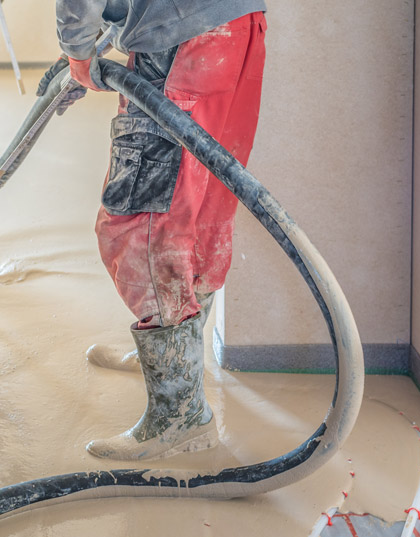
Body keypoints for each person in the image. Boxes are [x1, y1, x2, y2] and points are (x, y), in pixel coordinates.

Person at [49, 0, 267, 460]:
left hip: (180, 41)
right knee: (202, 203)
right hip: (238, 25)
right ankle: (177, 365)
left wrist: (79, 53)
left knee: (140, 224)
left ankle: (179, 416)